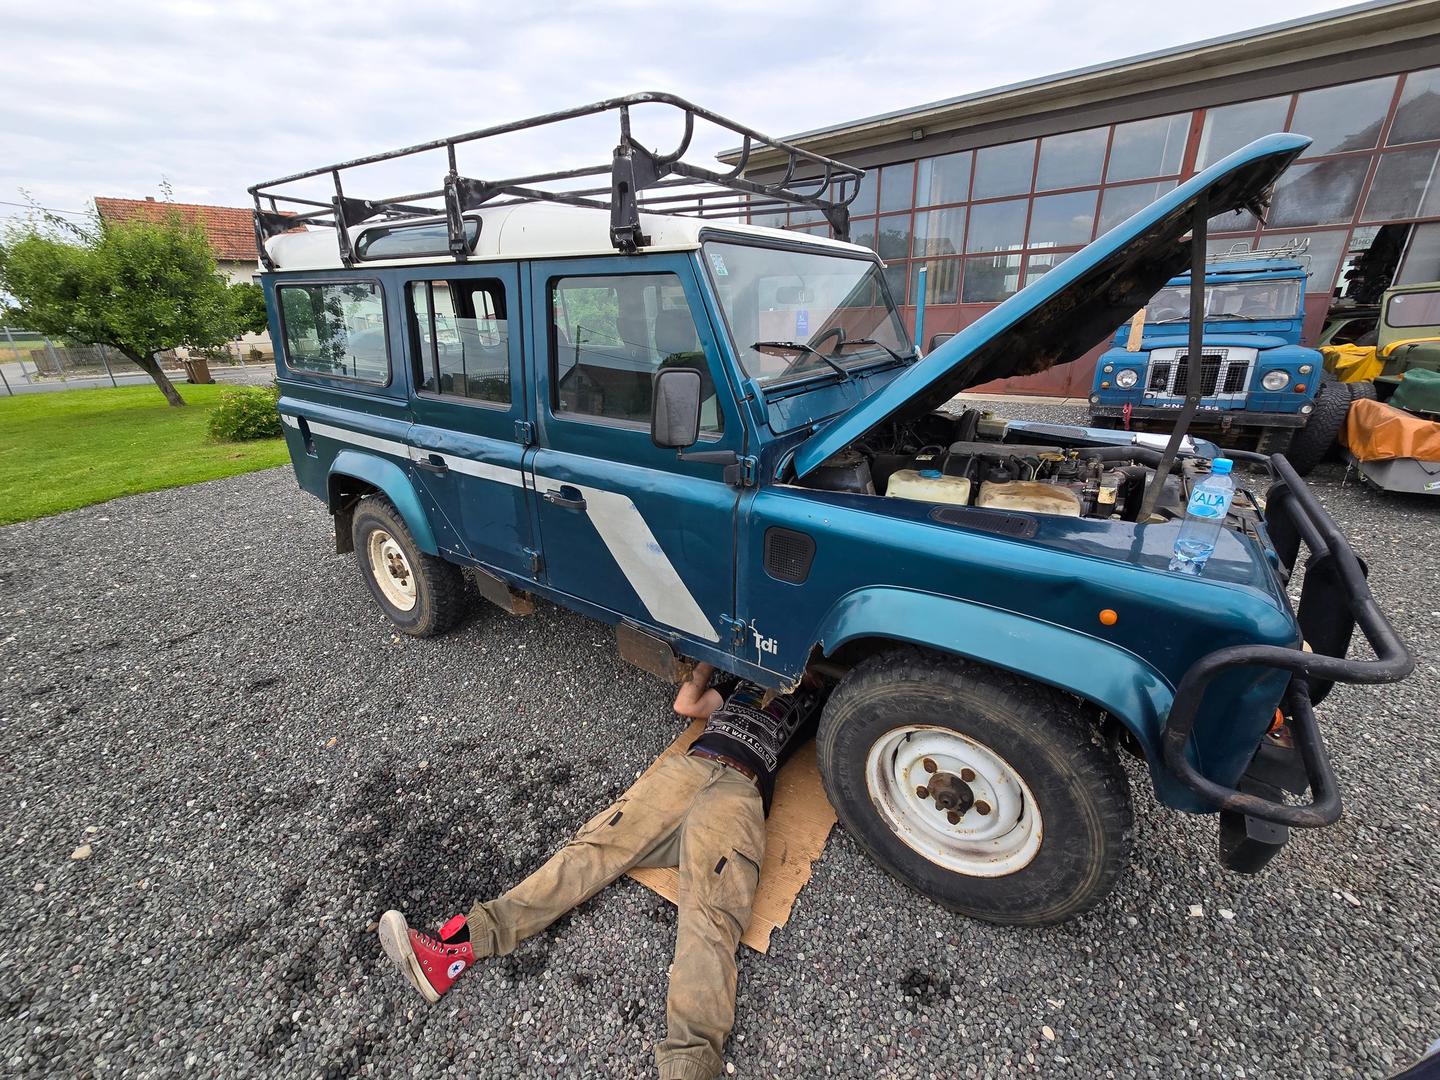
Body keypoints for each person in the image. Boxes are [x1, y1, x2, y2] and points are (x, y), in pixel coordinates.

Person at [378, 662, 826, 1080]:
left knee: (711, 915)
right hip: (689, 769)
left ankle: (689, 1066)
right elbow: (687, 704)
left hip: (739, 791)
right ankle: (457, 948)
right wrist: (711, 658)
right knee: (589, 852)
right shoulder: (735, 685)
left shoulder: (817, 698)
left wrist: (816, 678)